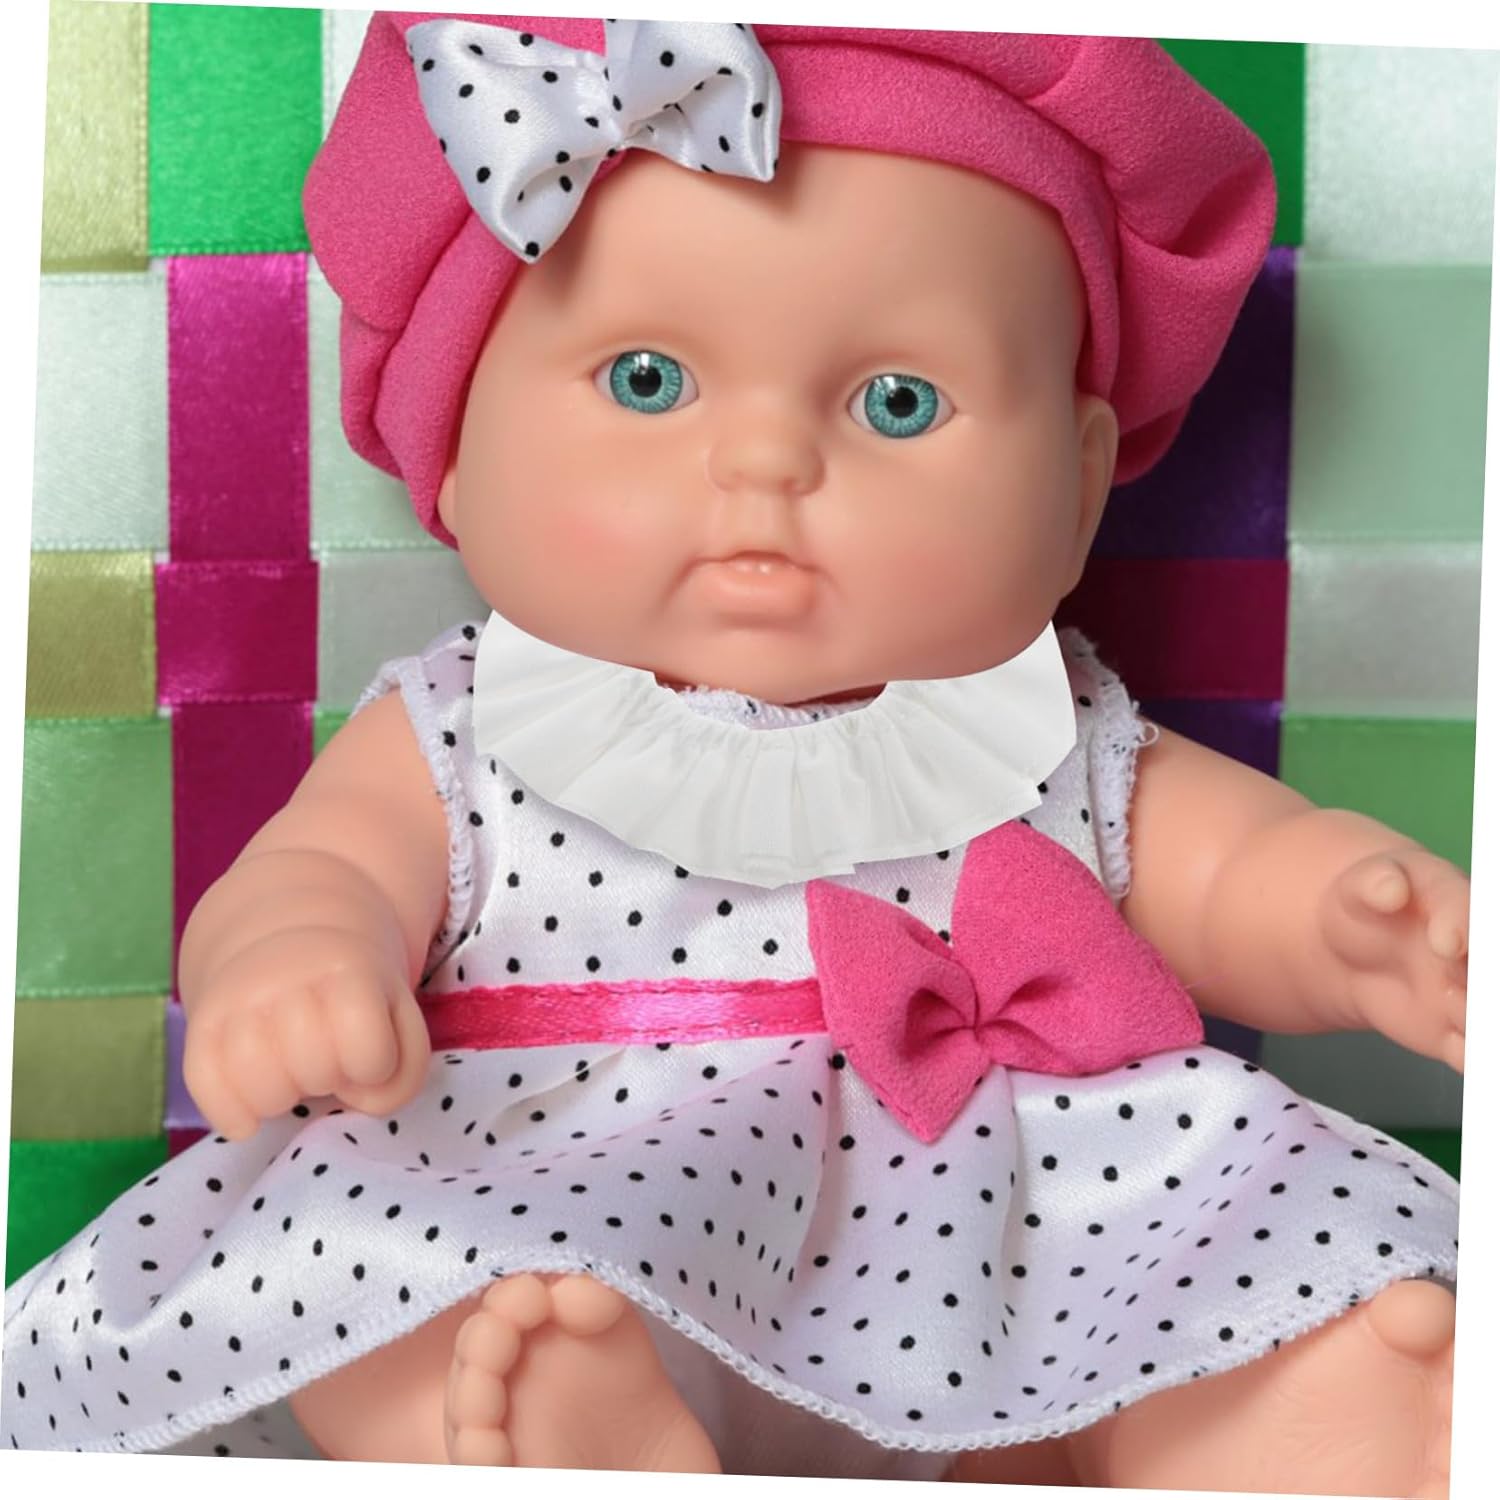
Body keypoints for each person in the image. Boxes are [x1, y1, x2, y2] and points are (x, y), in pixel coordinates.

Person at [2, 18, 1463, 1494]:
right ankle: (524, 1422)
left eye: (898, 403)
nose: (768, 465)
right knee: (384, 1285)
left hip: (1007, 1239)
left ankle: (1296, 1423)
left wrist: (1350, 917)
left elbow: (1227, 871)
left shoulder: (1045, 729)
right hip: (554, 1180)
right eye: (648, 381)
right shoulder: (464, 726)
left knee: (1214, 1298)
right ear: (452, 450)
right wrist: (296, 956)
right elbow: (321, 865)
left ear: (1077, 486)